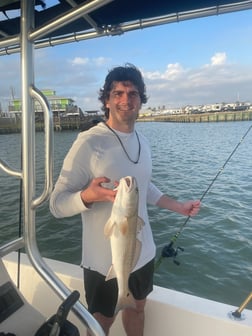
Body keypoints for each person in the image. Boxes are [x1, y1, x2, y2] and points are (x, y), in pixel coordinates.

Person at [49, 63, 201, 336]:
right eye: (117, 93)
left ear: (141, 100)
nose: (125, 100)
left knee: (137, 309)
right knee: (100, 324)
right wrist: (86, 197)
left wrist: (178, 206)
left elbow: (144, 186)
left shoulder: (142, 140)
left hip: (142, 254)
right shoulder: (88, 142)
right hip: (101, 261)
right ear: (106, 100)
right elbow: (56, 204)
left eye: (132, 94)